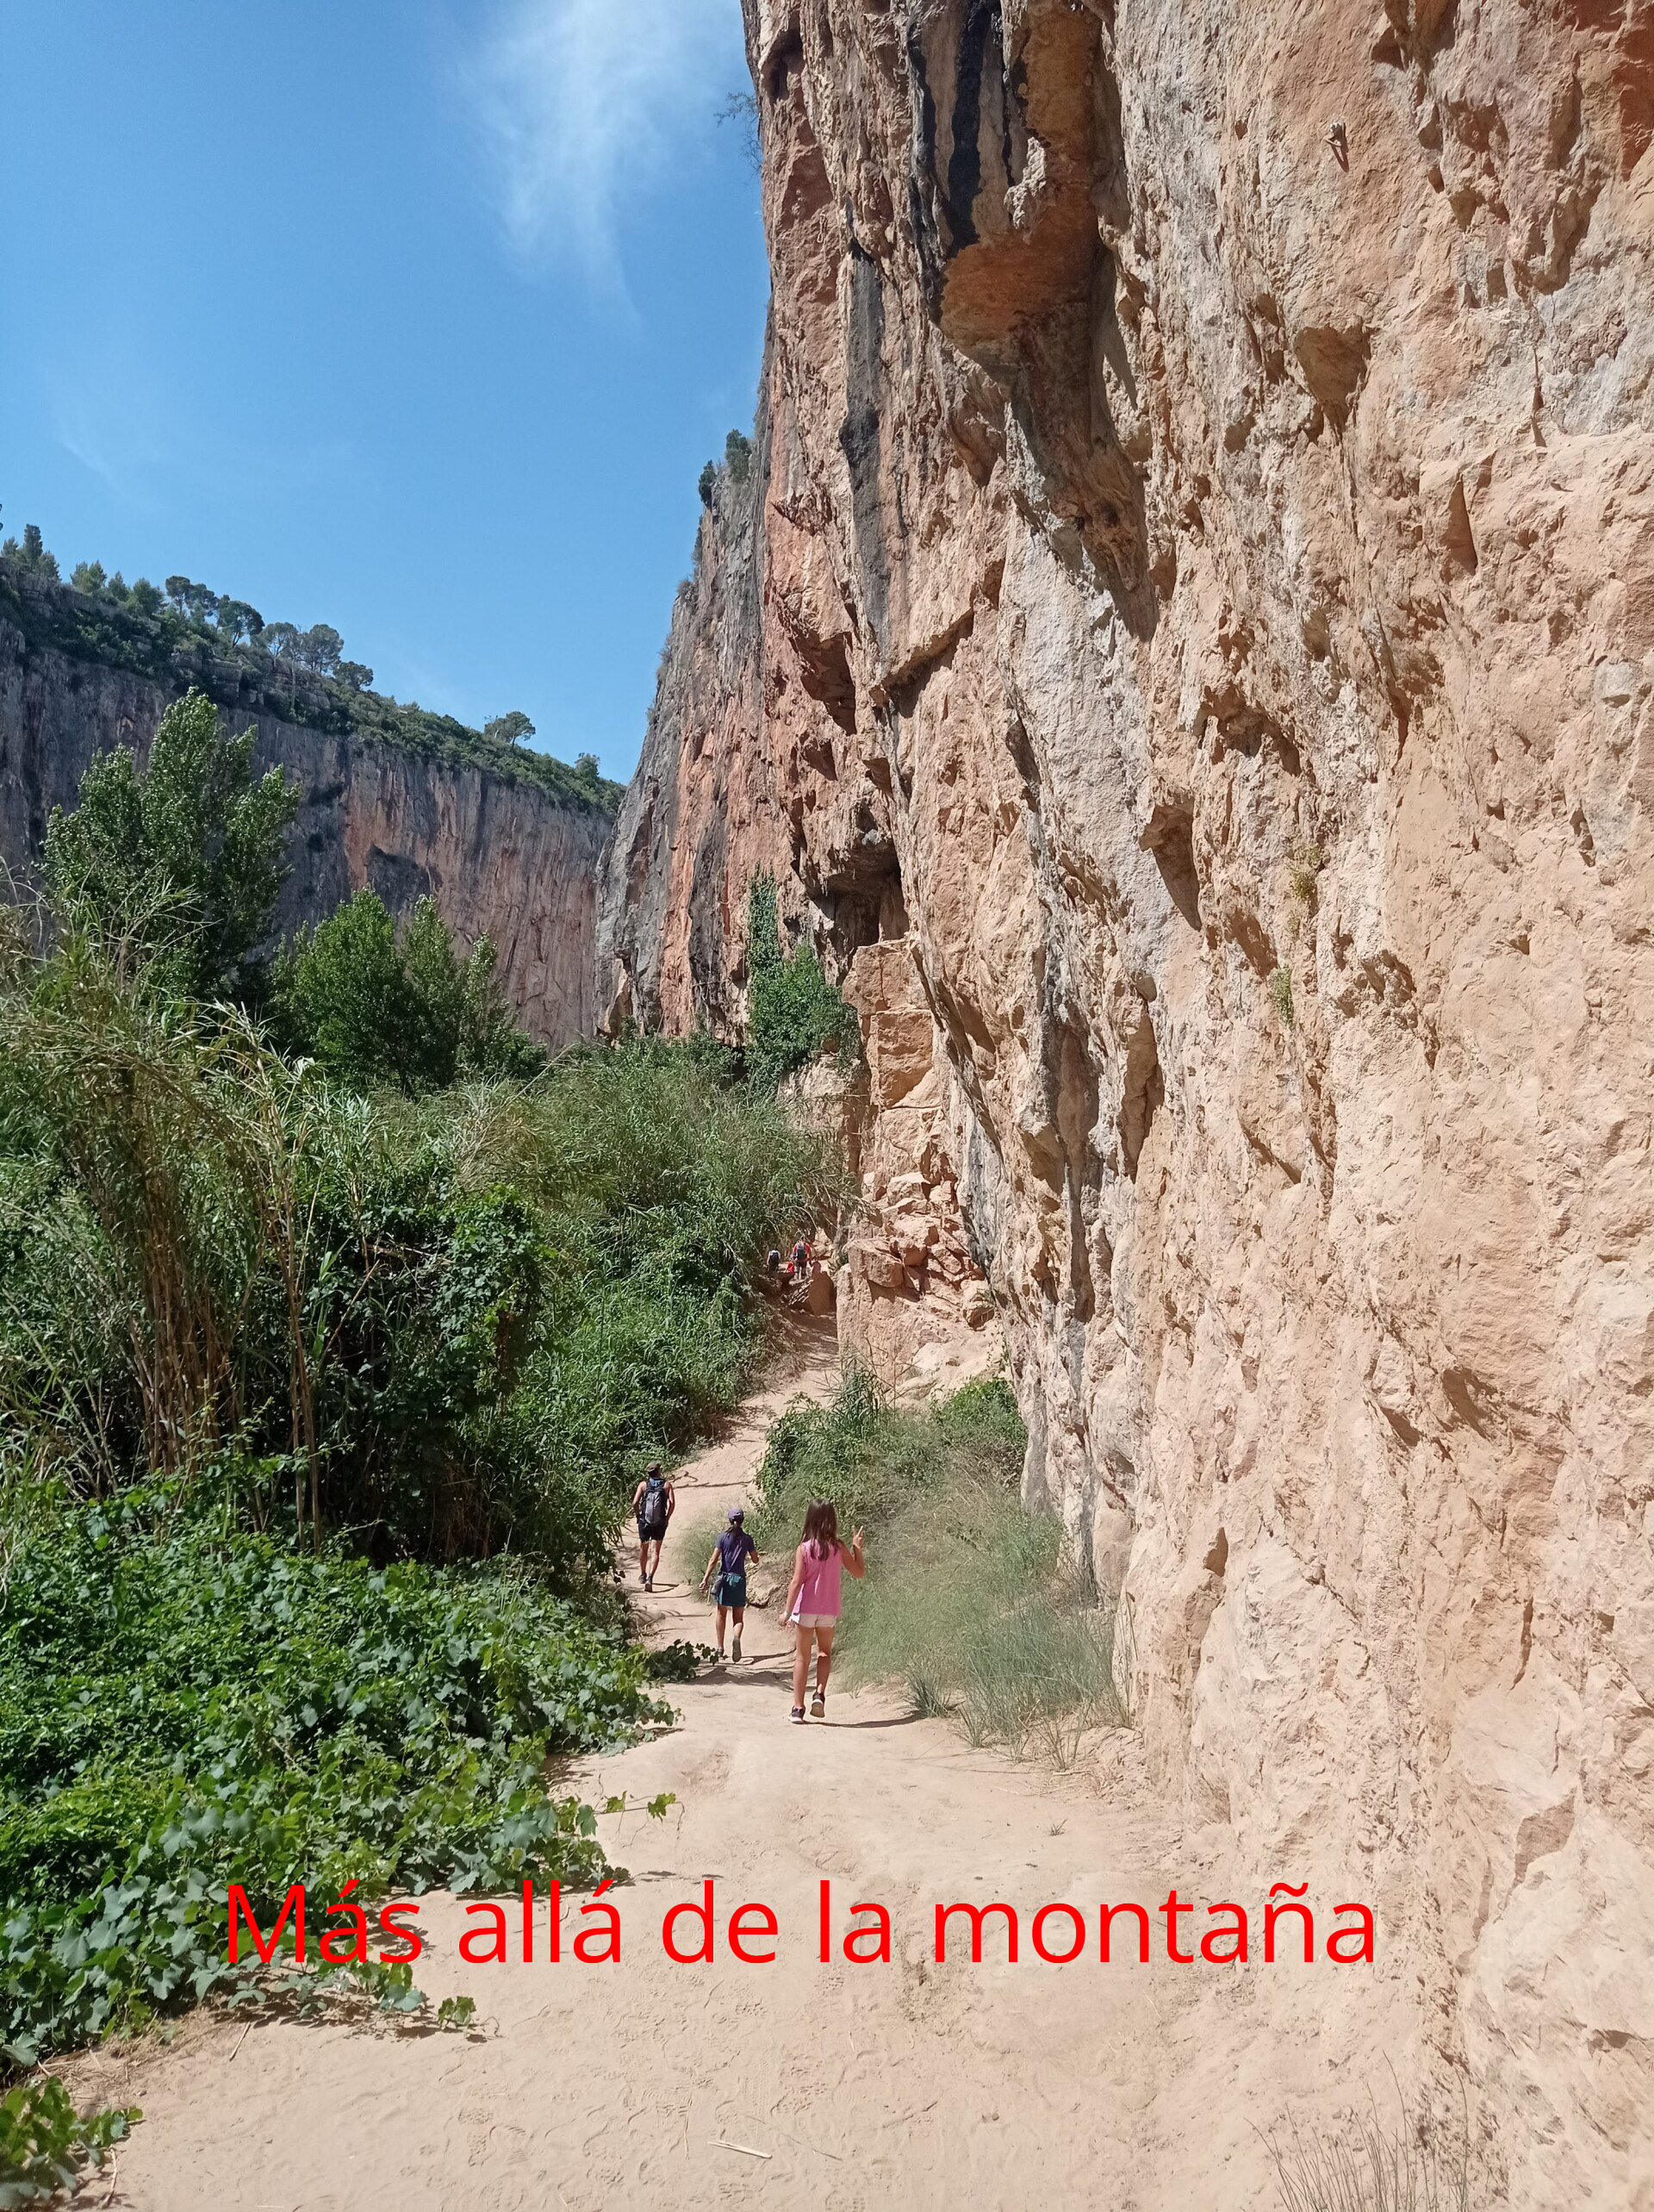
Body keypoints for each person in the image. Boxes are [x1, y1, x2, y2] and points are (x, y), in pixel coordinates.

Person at [782, 1500, 865, 1723]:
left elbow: (796, 1581)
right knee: (824, 1653)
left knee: (802, 1657)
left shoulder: (804, 1549)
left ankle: (798, 1709)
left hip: (807, 1609)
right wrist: (857, 1547)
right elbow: (858, 1573)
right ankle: (819, 1694)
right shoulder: (839, 1547)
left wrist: (787, 1611)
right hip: (828, 1609)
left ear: (810, 1518)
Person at [698, 1507, 760, 1662]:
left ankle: (720, 1648)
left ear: (729, 1520)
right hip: (739, 1579)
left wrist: (705, 1578)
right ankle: (736, 1638)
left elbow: (713, 1560)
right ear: (742, 1521)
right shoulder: (747, 1539)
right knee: (738, 1617)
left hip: (724, 1579)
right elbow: (755, 1559)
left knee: (721, 1613)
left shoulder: (722, 1538)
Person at [631, 1461, 674, 1592]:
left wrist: (638, 1515)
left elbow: (635, 1502)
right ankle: (650, 1577)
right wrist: (666, 1518)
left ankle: (643, 1574)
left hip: (645, 1521)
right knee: (655, 1551)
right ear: (659, 1471)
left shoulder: (643, 1485)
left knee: (644, 1548)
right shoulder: (666, 1485)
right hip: (660, 1522)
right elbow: (672, 1504)